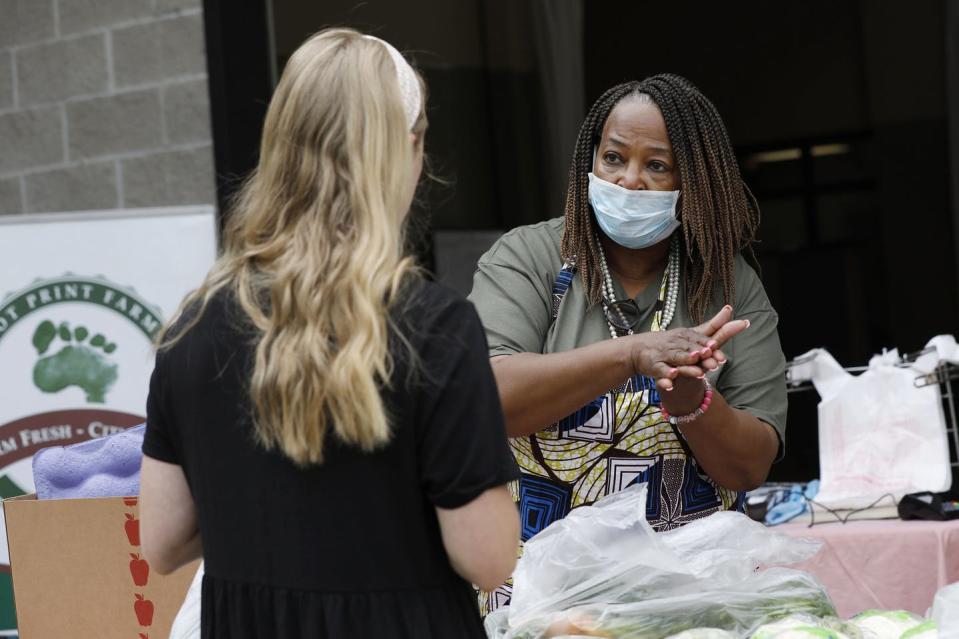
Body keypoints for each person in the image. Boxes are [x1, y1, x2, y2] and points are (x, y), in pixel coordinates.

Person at [138, 28, 520, 639]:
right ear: (407, 151)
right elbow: (489, 556)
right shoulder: (436, 326)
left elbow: (159, 542)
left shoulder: (194, 327)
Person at [468, 73, 787, 613]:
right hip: (540, 598)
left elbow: (749, 467)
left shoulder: (726, 286)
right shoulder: (529, 259)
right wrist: (632, 355)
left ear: (696, 182)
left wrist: (693, 402)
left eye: (656, 165)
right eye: (613, 158)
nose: (629, 181)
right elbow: (490, 399)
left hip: (688, 597)